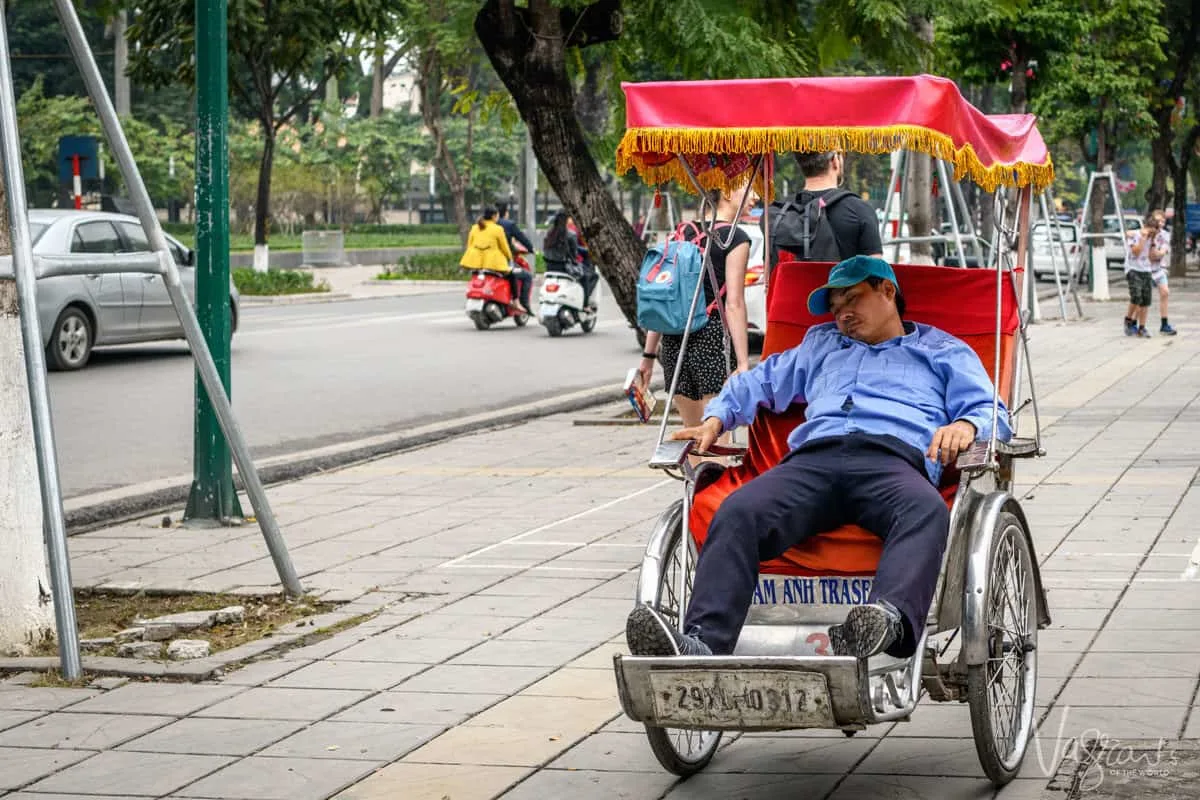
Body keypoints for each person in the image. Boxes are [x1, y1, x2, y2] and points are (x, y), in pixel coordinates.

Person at [625, 255, 1012, 661]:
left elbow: (990, 410)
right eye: (834, 306)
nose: (842, 313)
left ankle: (885, 621)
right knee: (738, 511)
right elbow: (761, 379)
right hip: (813, 461)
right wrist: (716, 419)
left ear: (887, 291)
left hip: (893, 460)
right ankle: (701, 644)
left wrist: (966, 425)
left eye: (852, 299)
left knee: (926, 510)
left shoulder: (941, 349)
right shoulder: (821, 344)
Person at [637, 187, 753, 437]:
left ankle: (694, 478)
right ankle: (713, 477)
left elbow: (664, 299)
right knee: (715, 436)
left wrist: (647, 357)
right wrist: (743, 363)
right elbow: (734, 304)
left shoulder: (683, 231)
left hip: (674, 340)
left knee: (690, 433)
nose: (755, 197)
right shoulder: (736, 238)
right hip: (711, 338)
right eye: (750, 189)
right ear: (729, 191)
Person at [767, 151, 884, 262]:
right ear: (835, 161)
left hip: (791, 283)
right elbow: (875, 272)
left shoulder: (778, 212)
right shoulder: (860, 210)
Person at [459, 206, 524, 314]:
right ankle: (516, 301)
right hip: (493, 264)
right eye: (497, 216)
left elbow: (469, 245)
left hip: (475, 263)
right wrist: (509, 257)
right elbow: (504, 247)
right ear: (494, 216)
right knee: (512, 276)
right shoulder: (497, 229)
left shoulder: (475, 227)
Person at [1124, 212, 1167, 337]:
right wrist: (1143, 239)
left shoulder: (1153, 239)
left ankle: (1141, 327)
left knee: (1145, 301)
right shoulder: (1135, 235)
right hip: (1132, 269)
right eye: (1151, 231)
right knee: (1136, 296)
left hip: (1146, 270)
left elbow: (1152, 256)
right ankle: (1128, 319)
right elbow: (1136, 253)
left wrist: (1154, 246)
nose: (1153, 234)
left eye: (1155, 232)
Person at [496, 203, 536, 312]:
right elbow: (521, 237)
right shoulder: (508, 224)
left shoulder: (486, 225)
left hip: (484, 262)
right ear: (506, 212)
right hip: (502, 262)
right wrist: (531, 248)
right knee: (527, 276)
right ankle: (523, 303)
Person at [542, 211, 588, 304]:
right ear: (566, 220)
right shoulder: (571, 234)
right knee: (585, 277)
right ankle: (585, 304)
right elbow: (574, 255)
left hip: (549, 268)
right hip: (564, 268)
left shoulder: (549, 234)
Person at [1145, 211, 1177, 336]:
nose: (1160, 224)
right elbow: (1148, 255)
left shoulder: (1165, 235)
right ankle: (1134, 323)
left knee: (1165, 293)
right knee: (1142, 299)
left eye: (1162, 221)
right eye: (1158, 221)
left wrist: (1156, 251)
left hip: (1159, 269)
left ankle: (1164, 324)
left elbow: (1160, 254)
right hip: (1145, 269)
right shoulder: (1146, 233)